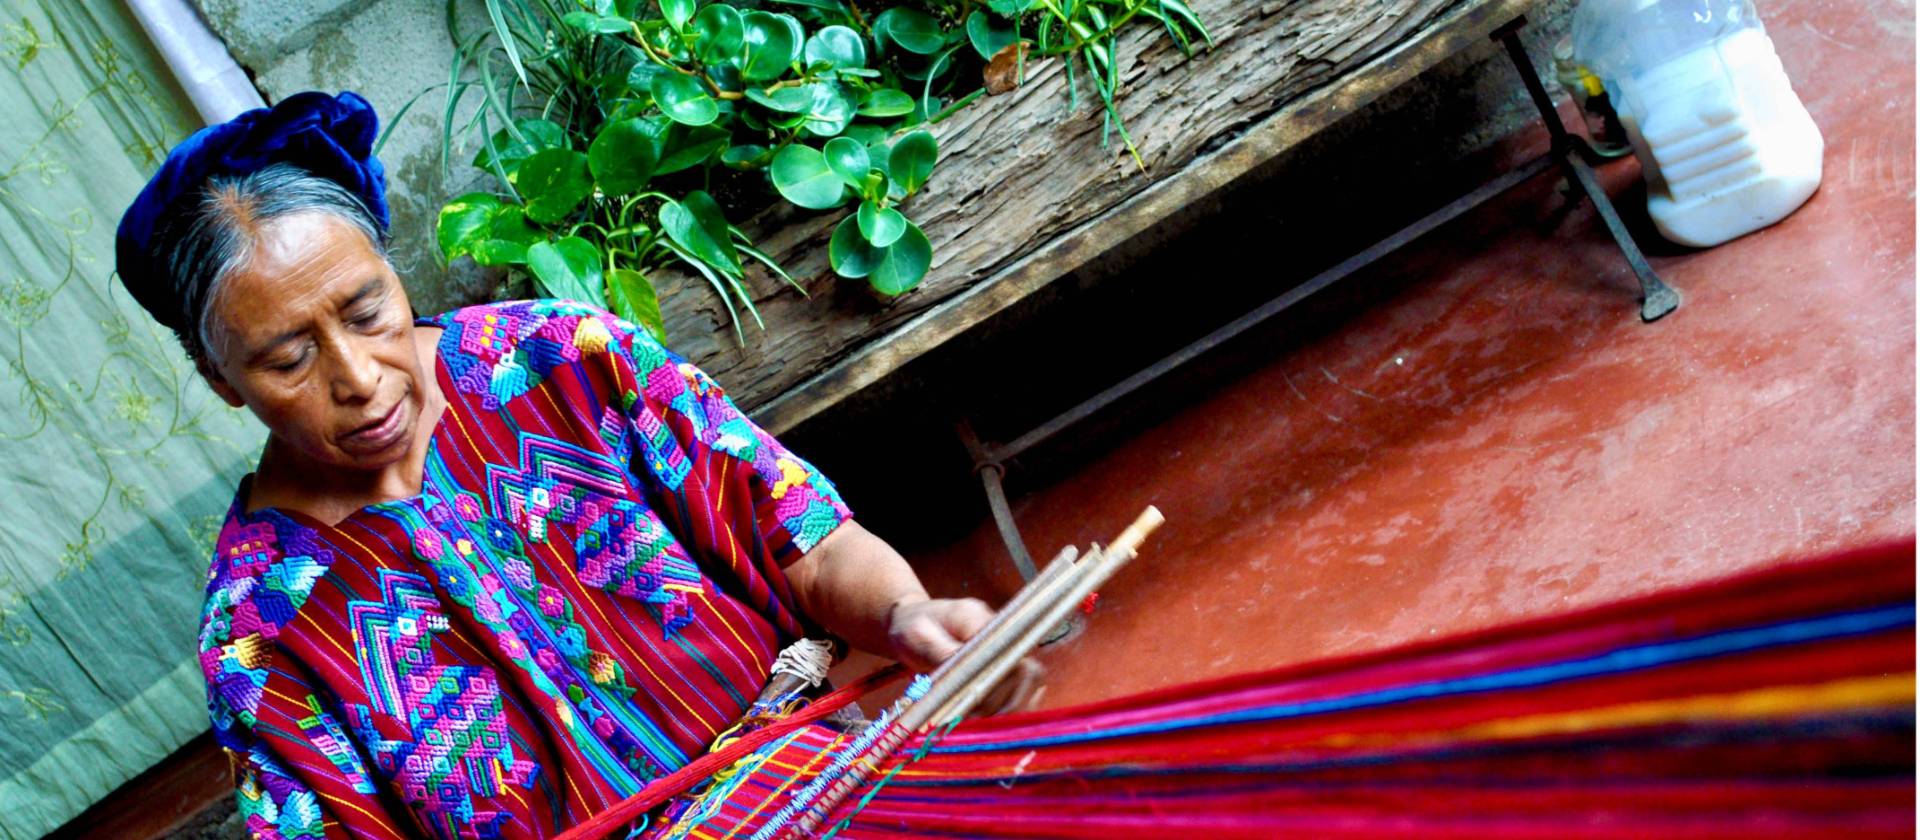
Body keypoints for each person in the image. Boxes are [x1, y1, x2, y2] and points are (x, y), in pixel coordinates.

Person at [116, 91, 1037, 839]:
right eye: (288, 359)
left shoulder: (561, 360)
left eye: (366, 312)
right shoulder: (261, 626)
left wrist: (908, 615)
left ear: (391, 269)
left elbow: (805, 539)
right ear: (222, 380)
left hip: (818, 788)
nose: (359, 378)